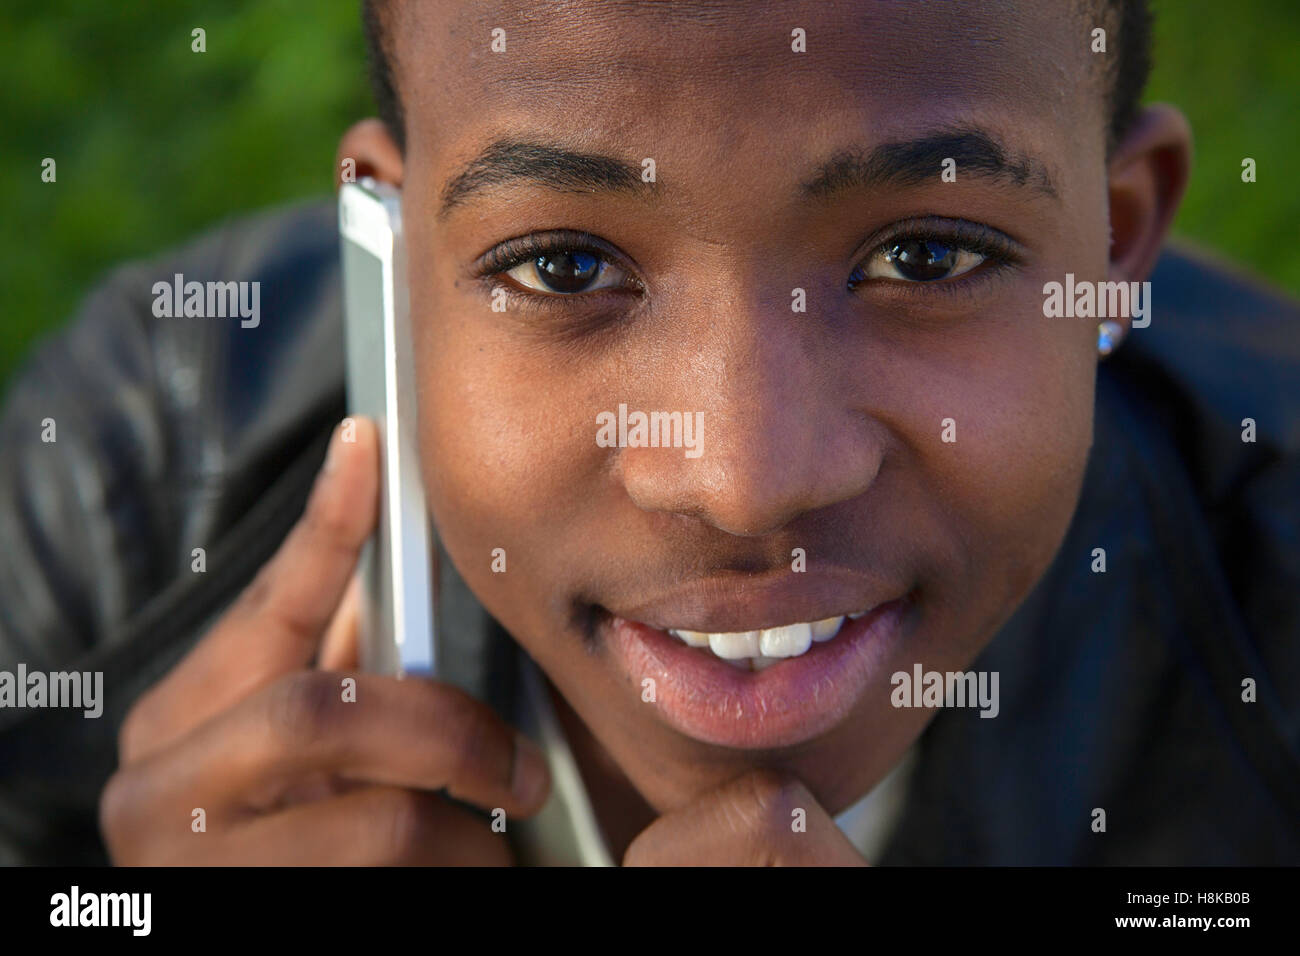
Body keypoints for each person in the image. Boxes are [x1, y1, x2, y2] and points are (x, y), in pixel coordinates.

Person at [1, 0, 1297, 865]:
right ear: (385, 265)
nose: (745, 481)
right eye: (563, 267)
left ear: (1119, 244)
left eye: (929, 251)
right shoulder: (131, 485)